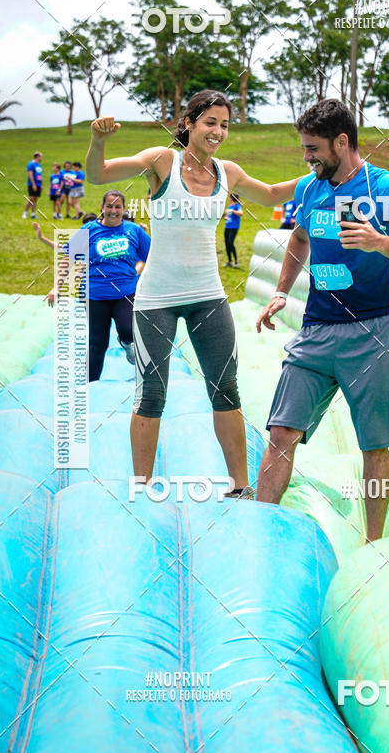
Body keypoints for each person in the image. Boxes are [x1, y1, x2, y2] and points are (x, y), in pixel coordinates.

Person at [85, 89, 301, 498]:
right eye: (210, 122)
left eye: (224, 124)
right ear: (188, 124)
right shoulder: (162, 161)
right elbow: (98, 175)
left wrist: (320, 172)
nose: (218, 131)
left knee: (226, 389)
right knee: (152, 392)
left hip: (208, 296)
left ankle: (240, 487)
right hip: (156, 300)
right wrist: (98, 143)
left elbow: (272, 194)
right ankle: (142, 487)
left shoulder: (228, 172)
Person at [255, 98, 389, 543]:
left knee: (373, 445)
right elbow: (298, 238)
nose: (306, 157)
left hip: (371, 332)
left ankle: (374, 544)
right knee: (281, 432)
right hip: (315, 329)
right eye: (304, 148)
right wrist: (281, 291)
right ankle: (256, 535)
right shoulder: (311, 188)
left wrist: (379, 242)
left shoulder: (386, 188)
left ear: (342, 141)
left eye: (313, 148)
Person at [45, 190, 150, 380]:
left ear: (123, 209)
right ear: (102, 208)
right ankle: (90, 386)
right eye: (109, 206)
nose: (113, 210)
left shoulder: (133, 231)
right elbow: (68, 259)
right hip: (94, 295)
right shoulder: (89, 230)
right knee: (97, 344)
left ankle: (127, 344)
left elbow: (153, 257)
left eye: (118, 206)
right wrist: (57, 286)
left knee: (127, 330)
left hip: (125, 293)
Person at [223, 192, 242, 267]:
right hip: (227, 226)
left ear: (231, 198)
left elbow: (241, 213)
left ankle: (236, 262)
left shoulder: (237, 206)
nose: (228, 198)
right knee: (227, 244)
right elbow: (227, 217)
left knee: (231, 243)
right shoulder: (229, 206)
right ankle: (230, 261)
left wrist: (233, 211)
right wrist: (225, 217)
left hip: (234, 227)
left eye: (229, 197)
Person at [23, 152, 42, 219]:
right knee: (30, 198)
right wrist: (33, 184)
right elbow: (30, 174)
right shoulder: (31, 164)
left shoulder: (39, 164)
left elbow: (39, 175)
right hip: (32, 184)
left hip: (38, 184)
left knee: (35, 199)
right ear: (37, 157)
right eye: (41, 156)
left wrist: (41, 185)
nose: (41, 158)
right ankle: (25, 213)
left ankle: (33, 214)